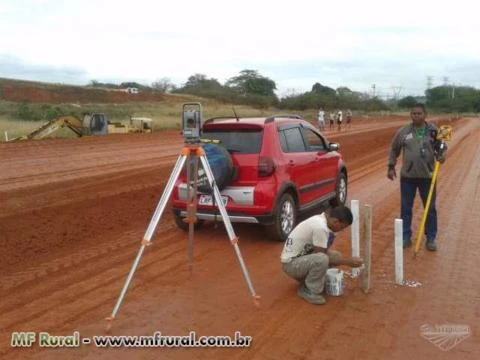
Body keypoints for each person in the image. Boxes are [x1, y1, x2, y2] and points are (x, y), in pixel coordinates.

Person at [387, 103, 447, 251]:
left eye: (419, 113)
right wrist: (391, 166)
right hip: (408, 177)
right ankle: (405, 236)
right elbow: (394, 149)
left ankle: (431, 238)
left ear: (425, 115)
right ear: (410, 115)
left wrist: (442, 155)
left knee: (430, 208)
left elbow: (442, 147)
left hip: (428, 177)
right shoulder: (403, 131)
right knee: (406, 208)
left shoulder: (434, 131)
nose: (416, 116)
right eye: (413, 113)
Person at [280, 206, 364, 305]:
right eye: (342, 227)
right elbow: (321, 255)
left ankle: (310, 281)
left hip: (300, 259)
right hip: (291, 265)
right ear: (336, 222)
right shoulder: (320, 227)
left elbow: (324, 251)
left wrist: (341, 260)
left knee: (336, 256)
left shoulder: (325, 222)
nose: (341, 230)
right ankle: (309, 290)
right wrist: (348, 262)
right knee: (322, 259)